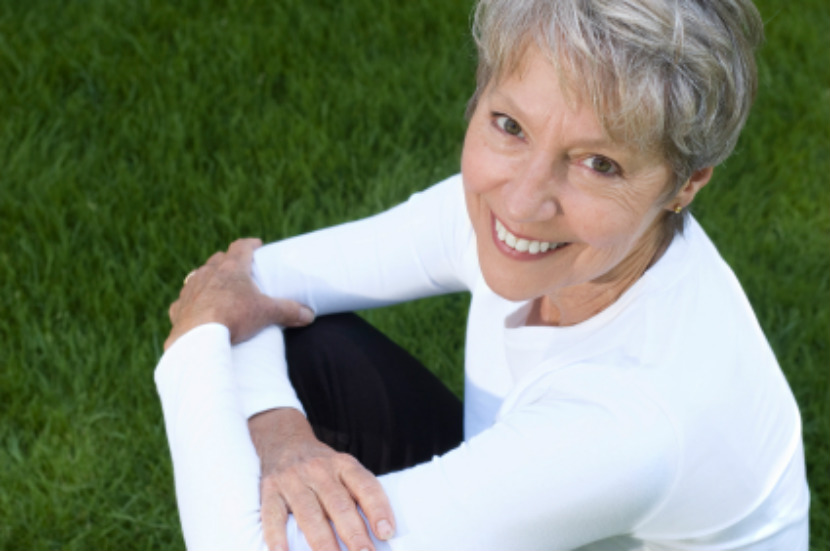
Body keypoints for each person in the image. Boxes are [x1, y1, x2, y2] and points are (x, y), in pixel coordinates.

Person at [155, 0, 811, 549]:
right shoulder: (510, 212)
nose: (524, 202)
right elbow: (259, 280)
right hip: (550, 495)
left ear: (684, 184)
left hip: (587, 487)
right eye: (510, 125)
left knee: (235, 355)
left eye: (599, 164)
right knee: (302, 346)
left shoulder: (634, 421)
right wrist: (278, 430)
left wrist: (193, 343)